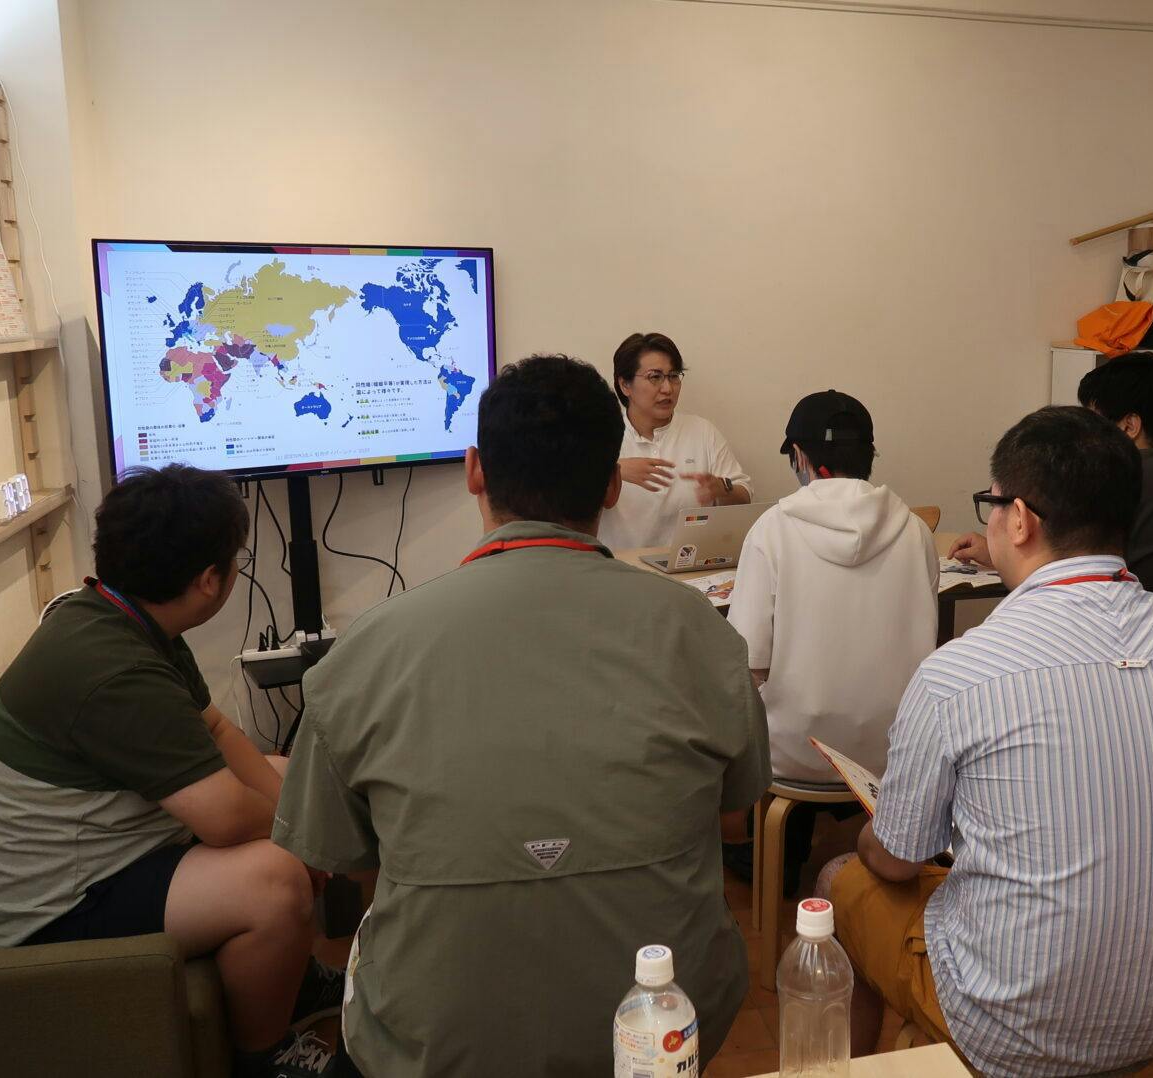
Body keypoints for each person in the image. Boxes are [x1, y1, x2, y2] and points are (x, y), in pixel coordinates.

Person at [273, 354, 769, 1077]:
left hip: (432, 1043)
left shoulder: (362, 655)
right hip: (666, 1030)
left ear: (475, 470)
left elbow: (341, 855)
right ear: (611, 484)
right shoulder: (705, 636)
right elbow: (734, 810)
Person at [820, 407, 1153, 1077]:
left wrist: (869, 835)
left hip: (1011, 1027)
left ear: (1019, 519)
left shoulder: (961, 672)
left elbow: (899, 861)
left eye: (991, 504)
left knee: (837, 880)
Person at [0, 464, 338, 1078]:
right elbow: (224, 819)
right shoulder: (114, 669)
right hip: (42, 917)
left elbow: (216, 730)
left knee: (287, 776)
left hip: (86, 855)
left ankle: (292, 978)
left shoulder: (115, 612)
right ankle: (265, 1059)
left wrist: (297, 814)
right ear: (208, 580)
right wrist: (304, 836)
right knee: (278, 879)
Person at [950, 356, 1153, 707]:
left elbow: (1068, 572)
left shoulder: (1127, 485)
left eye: (1092, 421)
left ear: (1129, 426)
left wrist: (1007, 546)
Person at [722, 390, 938, 883]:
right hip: (893, 752)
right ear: (868, 454)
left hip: (796, 754)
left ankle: (777, 858)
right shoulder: (915, 531)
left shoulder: (772, 530)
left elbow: (749, 665)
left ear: (799, 455)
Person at [596, 331, 752, 550]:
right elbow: (567, 496)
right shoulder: (601, 434)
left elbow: (744, 496)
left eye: (673, 376)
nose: (667, 388)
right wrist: (614, 471)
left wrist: (721, 489)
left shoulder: (702, 431)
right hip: (618, 566)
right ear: (625, 385)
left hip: (687, 564)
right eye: (655, 377)